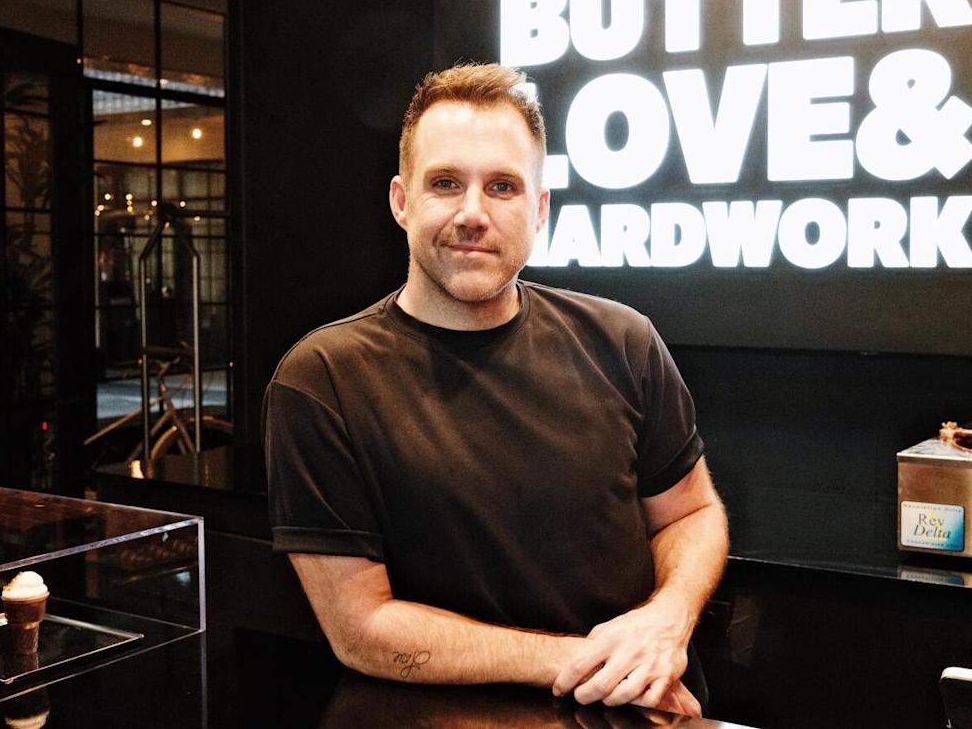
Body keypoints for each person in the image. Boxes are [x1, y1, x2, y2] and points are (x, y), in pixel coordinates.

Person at [264, 63, 728, 716]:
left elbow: (691, 513)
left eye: (503, 186)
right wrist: (581, 660)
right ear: (402, 201)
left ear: (539, 209)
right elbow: (360, 629)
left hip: (642, 710)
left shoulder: (624, 342)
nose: (473, 213)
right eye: (446, 183)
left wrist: (668, 619)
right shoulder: (323, 380)